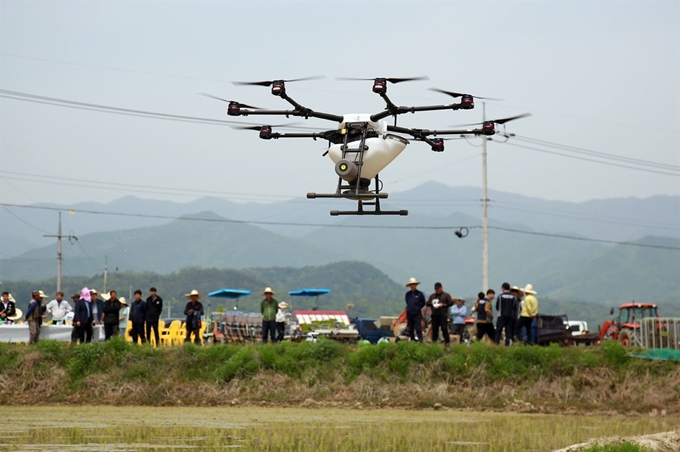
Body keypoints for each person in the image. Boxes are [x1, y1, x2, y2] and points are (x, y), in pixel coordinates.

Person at [404, 277, 426, 342]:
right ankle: (412, 341)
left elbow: (423, 302)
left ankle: (420, 341)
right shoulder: (408, 294)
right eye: (411, 284)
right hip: (409, 313)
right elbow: (407, 302)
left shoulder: (420, 294)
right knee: (410, 329)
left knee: (418, 328)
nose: (412, 286)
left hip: (417, 314)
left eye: (413, 284)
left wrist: (418, 308)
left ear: (416, 285)